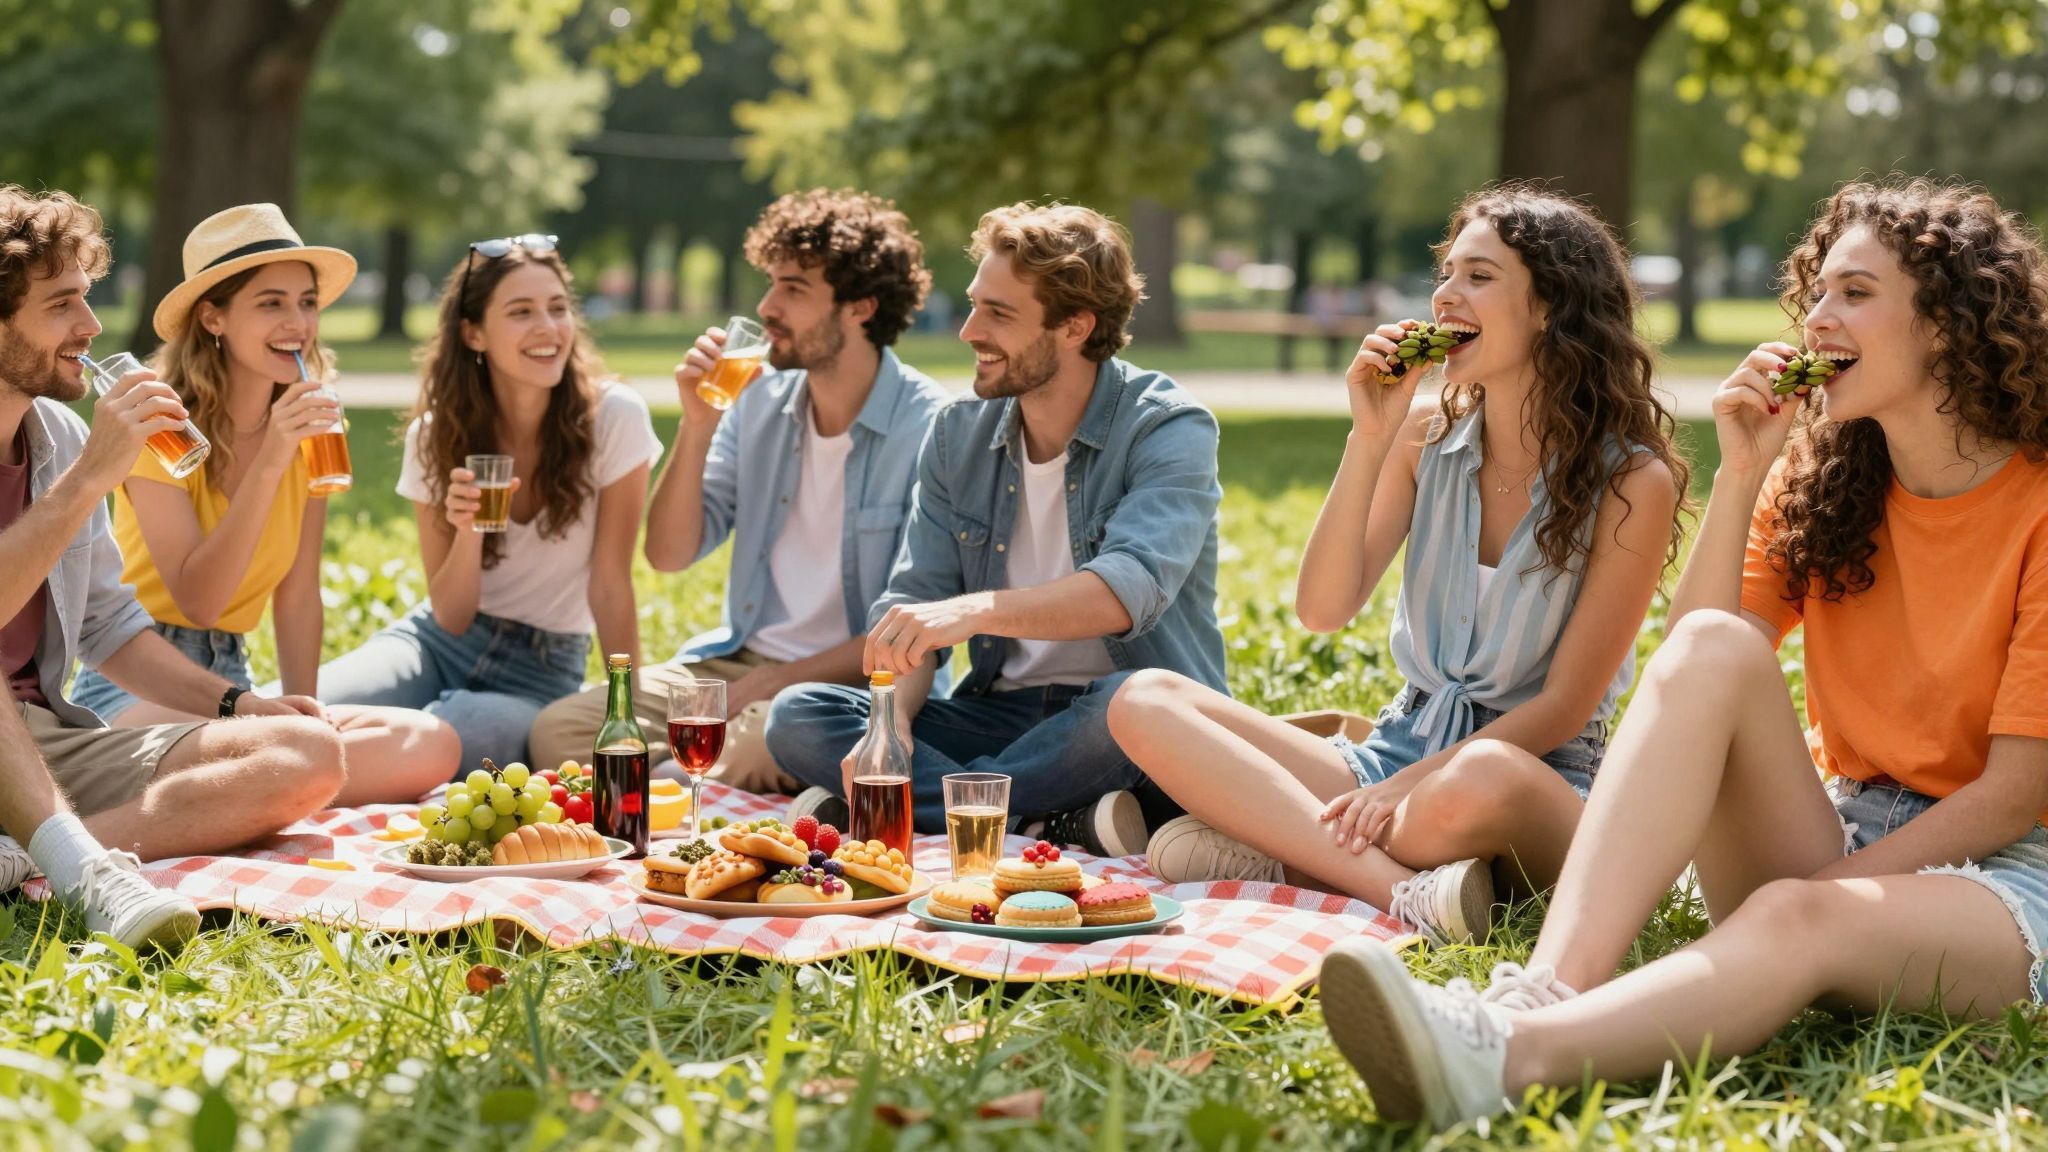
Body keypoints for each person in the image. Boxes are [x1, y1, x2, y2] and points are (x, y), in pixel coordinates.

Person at [1317, 177, 2048, 1129]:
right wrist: (1743, 472)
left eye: (1856, 294)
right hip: (1840, 825)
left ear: (1948, 325)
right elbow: (1694, 664)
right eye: (1818, 292)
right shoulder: (1824, 476)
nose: (1817, 318)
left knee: (1795, 917)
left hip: (2007, 870)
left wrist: (1818, 892)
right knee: (1713, 644)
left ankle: (1502, 1059)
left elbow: (2013, 795)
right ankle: (1543, 989)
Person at [1109, 185, 1687, 945]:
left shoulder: (1633, 481)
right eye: (1446, 274)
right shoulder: (1422, 436)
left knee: (1481, 777)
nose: (1445, 295)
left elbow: (1565, 707)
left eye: (1479, 276)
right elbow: (1322, 609)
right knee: (1143, 699)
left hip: (1533, 777)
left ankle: (1287, 849)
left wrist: (1406, 789)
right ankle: (1403, 892)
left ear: (1551, 306)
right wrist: (1369, 437)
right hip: (1397, 749)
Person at [764, 201, 1226, 858]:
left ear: (1074, 327)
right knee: (801, 715)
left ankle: (924, 806)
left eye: (999, 314)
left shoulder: (1168, 427)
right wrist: (889, 726)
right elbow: (913, 609)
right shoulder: (957, 434)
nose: (969, 331)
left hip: (1123, 717)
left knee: (1137, 705)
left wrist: (972, 612)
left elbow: (1126, 592)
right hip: (1002, 715)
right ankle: (1045, 819)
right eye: (974, 305)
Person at [0, 185, 349, 948]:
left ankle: (28, 857)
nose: (91, 326)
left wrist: (240, 706)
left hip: (43, 739)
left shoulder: (58, 435)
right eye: (61, 305)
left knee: (310, 753)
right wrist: (88, 481)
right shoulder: (84, 459)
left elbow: (109, 629)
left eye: (86, 298)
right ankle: (85, 871)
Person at [528, 190, 947, 788]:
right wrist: (697, 427)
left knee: (760, 742)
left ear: (861, 307)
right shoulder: (756, 403)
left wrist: (772, 683)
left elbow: (915, 629)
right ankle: (688, 781)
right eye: (771, 283)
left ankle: (674, 781)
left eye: (794, 289)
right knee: (562, 730)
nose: (767, 306)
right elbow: (668, 554)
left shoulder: (929, 427)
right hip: (738, 665)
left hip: (857, 682)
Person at [66, 204, 457, 802]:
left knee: (431, 742)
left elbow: (298, 595)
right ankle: (263, 785)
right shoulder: (160, 427)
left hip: (237, 683)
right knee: (261, 753)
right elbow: (201, 601)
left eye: (307, 302)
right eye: (271, 303)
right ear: (213, 317)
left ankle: (266, 785)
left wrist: (310, 717)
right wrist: (272, 457)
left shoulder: (312, 430)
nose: (297, 322)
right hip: (140, 682)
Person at [319, 236, 662, 770]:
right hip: (435, 645)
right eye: (521, 312)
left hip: (542, 671)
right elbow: (451, 616)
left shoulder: (615, 418)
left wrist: (628, 714)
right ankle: (200, 760)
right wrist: (467, 529)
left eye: (557, 308)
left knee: (446, 735)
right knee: (309, 707)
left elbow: (611, 585)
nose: (548, 327)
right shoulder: (435, 436)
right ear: (473, 333)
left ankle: (284, 775)